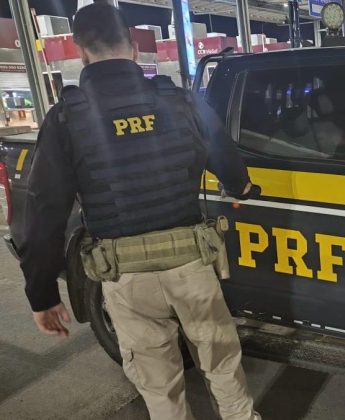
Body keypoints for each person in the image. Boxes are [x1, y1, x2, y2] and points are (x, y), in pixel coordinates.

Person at [19, 4, 260, 420]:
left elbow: (44, 213)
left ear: (80, 51)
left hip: (126, 278)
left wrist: (42, 295)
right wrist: (240, 187)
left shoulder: (66, 118)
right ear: (133, 46)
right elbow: (226, 159)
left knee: (161, 390)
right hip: (191, 264)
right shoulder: (179, 100)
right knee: (223, 369)